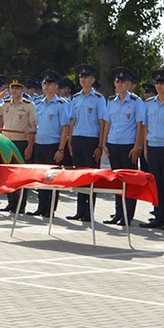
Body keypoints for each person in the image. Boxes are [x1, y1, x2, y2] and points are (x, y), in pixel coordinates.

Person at [0, 74, 37, 213]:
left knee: (20, 175)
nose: (14, 90)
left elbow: (34, 127)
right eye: (12, 87)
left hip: (20, 143)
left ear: (22, 90)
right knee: (8, 174)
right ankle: (11, 202)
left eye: (17, 88)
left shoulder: (28, 105)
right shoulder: (6, 104)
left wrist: (29, 142)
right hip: (6, 142)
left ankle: (21, 204)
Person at [101, 67, 145, 225]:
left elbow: (140, 125)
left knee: (129, 181)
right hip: (114, 144)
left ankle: (128, 215)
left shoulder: (136, 101)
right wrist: (104, 142)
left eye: (123, 81)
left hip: (128, 146)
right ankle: (118, 213)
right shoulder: (111, 101)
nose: (120, 84)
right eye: (117, 81)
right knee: (116, 180)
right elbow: (107, 123)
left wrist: (137, 146)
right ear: (114, 83)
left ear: (128, 84)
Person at [27, 70, 71, 217]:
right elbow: (33, 125)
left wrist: (61, 149)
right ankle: (41, 206)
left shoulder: (61, 104)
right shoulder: (37, 103)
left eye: (50, 83)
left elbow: (65, 128)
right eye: (44, 83)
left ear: (56, 87)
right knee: (40, 178)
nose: (46, 86)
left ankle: (50, 209)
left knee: (52, 178)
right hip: (39, 143)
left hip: (53, 145)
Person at [67, 64, 107, 222]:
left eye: (86, 77)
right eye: (81, 77)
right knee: (79, 175)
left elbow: (102, 123)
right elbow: (72, 120)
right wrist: (70, 139)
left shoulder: (98, 98)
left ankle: (89, 212)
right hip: (77, 138)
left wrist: (100, 145)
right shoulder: (76, 98)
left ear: (92, 80)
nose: (82, 79)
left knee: (90, 176)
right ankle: (79, 210)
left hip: (91, 140)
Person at [139, 69, 164, 231]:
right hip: (152, 147)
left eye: (162, 83)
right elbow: (145, 128)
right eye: (157, 83)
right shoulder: (149, 104)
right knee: (156, 184)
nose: (159, 86)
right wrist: (145, 148)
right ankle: (158, 217)